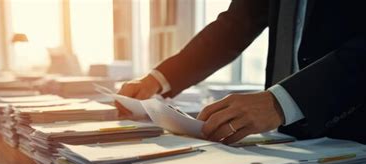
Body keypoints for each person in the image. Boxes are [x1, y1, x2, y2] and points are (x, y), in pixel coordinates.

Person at [118, 0, 366, 144]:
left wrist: (284, 101)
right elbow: (235, 25)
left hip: (354, 133)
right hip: (289, 142)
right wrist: (160, 78)